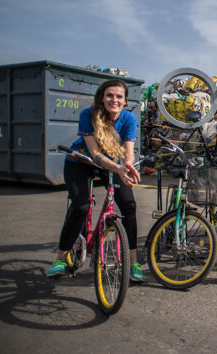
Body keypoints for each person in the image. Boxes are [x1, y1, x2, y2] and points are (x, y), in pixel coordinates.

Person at [47, 79, 144, 282]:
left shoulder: (128, 119)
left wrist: (126, 165)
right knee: (81, 207)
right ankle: (60, 259)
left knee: (129, 206)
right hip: (80, 161)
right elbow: (95, 154)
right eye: (109, 95)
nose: (114, 100)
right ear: (101, 97)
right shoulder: (88, 115)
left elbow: (129, 152)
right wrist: (117, 167)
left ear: (125, 101)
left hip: (111, 164)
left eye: (119, 96)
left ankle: (133, 262)